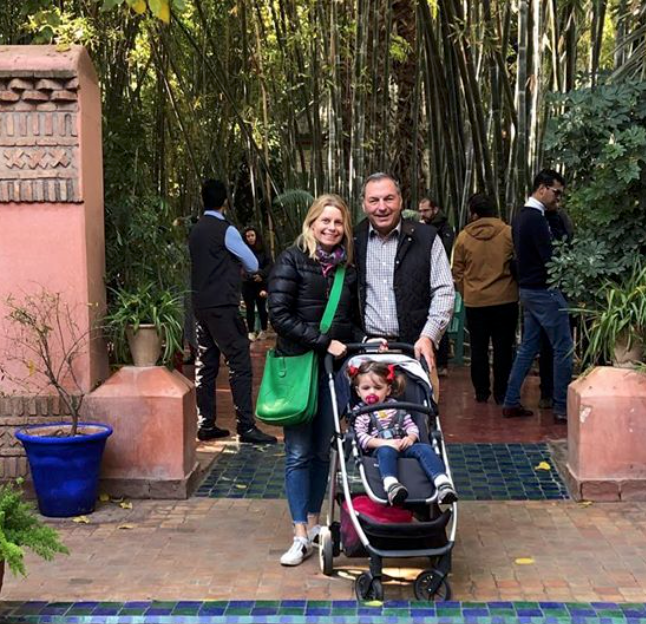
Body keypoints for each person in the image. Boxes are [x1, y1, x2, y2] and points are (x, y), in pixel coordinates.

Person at [267, 194, 364, 567]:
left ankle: (312, 525)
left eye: (338, 223)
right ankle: (297, 534)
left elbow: (349, 321)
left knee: (324, 450)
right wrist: (325, 341)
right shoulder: (292, 260)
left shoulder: (347, 271)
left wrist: (363, 341)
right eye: (324, 221)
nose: (331, 228)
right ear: (311, 224)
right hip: (298, 368)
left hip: (332, 373)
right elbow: (279, 314)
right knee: (297, 452)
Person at [189, 179, 276, 444]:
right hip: (223, 305)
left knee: (206, 363)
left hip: (200, 304)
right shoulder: (225, 230)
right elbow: (251, 262)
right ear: (225, 201)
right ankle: (246, 427)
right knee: (239, 361)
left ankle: (206, 423)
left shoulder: (194, 230)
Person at [355, 174, 455, 382]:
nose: (381, 207)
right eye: (374, 200)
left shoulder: (426, 237)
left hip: (415, 351)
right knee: (367, 414)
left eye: (389, 198)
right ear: (364, 205)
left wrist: (428, 337)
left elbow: (444, 291)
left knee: (418, 412)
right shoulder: (353, 240)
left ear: (400, 201)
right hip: (366, 354)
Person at [502, 170, 573, 424]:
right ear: (542, 188)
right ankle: (562, 407)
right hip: (544, 290)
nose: (558, 200)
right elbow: (550, 255)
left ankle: (511, 401)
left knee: (528, 347)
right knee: (563, 347)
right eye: (556, 193)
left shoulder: (522, 216)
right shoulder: (535, 218)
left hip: (529, 289)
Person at [351, 360, 457, 505]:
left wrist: (411, 437)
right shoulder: (361, 413)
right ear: (358, 391)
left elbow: (411, 426)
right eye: (366, 388)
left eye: (377, 388)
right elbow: (361, 437)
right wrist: (385, 443)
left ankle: (442, 482)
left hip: (403, 444)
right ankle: (392, 485)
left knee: (424, 448)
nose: (371, 392)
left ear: (387, 390)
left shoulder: (396, 406)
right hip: (379, 449)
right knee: (386, 451)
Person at [451, 193, 518, 404]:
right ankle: (501, 392)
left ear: (473, 214)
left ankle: (481, 392)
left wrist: (466, 291)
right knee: (503, 348)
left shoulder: (463, 237)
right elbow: (517, 263)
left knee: (478, 348)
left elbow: (457, 271)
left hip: (475, 301)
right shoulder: (508, 233)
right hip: (505, 299)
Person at [538, 206, 575, 407]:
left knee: (546, 345)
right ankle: (559, 399)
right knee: (561, 345)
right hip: (559, 291)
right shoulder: (557, 222)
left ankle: (548, 393)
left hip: (542, 290)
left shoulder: (540, 220)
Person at [418, 194, 456, 375]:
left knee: (439, 320)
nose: (423, 214)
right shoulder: (418, 228)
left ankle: (442, 363)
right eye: (420, 211)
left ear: (435, 209)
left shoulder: (444, 229)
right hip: (420, 281)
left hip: (437, 278)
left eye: (426, 210)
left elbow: (446, 250)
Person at [241, 226, 271, 340]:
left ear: (256, 236)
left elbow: (269, 264)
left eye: (252, 235)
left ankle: (264, 329)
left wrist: (261, 275)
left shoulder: (263, 249)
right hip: (247, 283)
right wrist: (250, 276)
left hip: (261, 283)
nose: (250, 238)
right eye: (248, 236)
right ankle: (251, 331)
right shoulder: (243, 250)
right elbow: (241, 266)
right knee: (249, 308)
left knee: (262, 307)